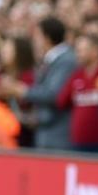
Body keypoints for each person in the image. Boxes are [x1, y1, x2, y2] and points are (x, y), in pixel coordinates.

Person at [24, 16, 78, 150]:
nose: (34, 41)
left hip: (58, 132)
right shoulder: (49, 59)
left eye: (37, 36)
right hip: (45, 130)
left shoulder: (67, 61)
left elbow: (53, 94)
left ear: (47, 38)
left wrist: (23, 91)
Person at [57, 33, 98, 152]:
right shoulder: (76, 76)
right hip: (78, 142)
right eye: (77, 50)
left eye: (82, 50)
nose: (78, 54)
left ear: (96, 51)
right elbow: (61, 101)